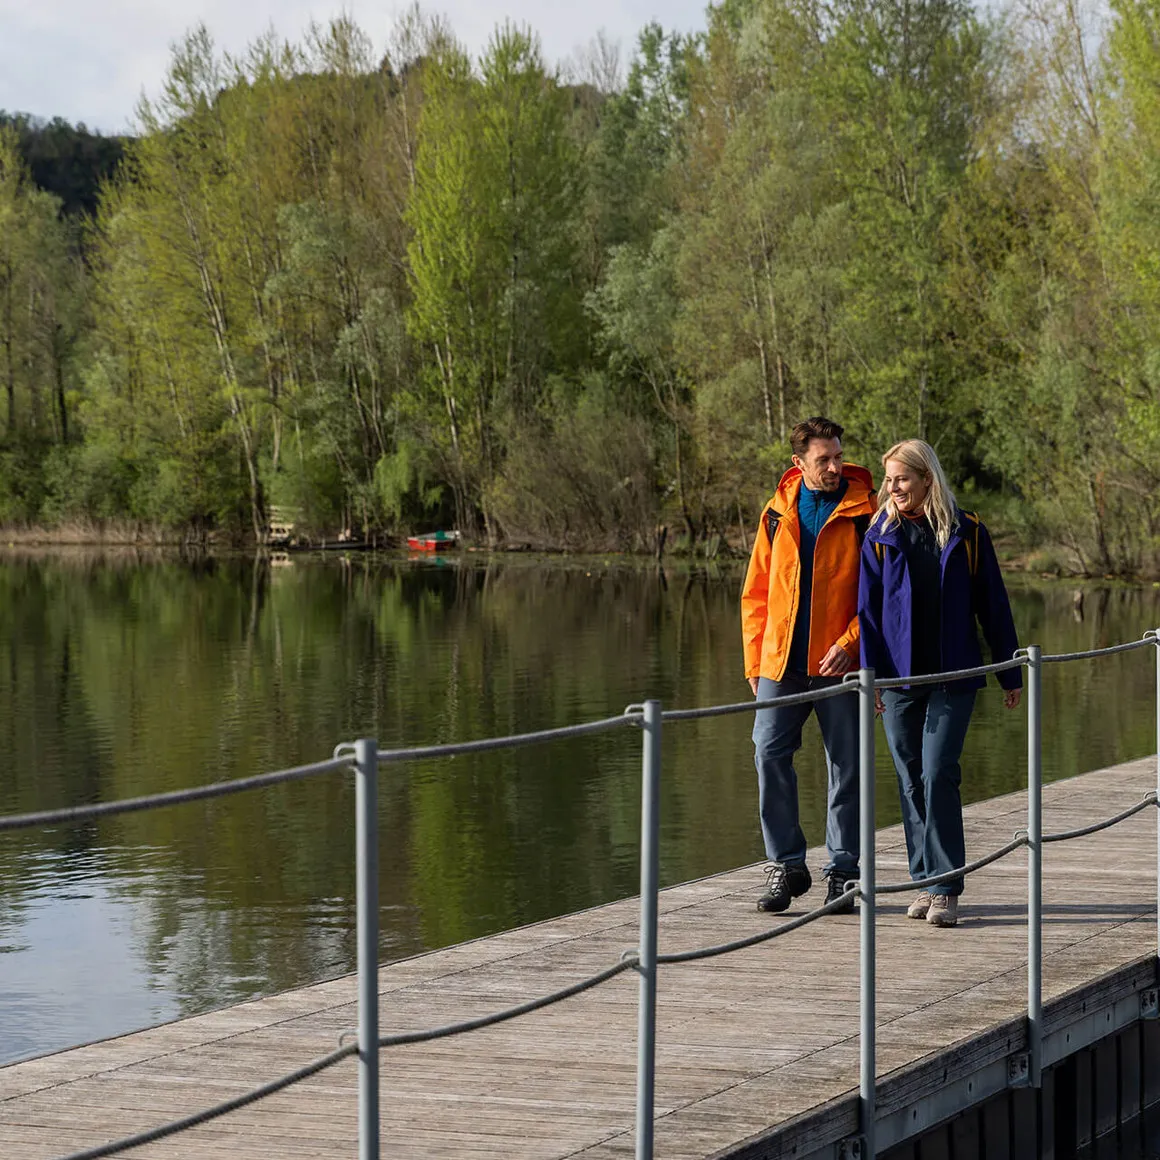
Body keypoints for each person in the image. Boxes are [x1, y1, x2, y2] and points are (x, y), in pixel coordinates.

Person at [858, 439, 1022, 928]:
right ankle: (923, 880)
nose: (892, 488)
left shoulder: (967, 532)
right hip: (898, 681)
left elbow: (993, 605)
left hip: (954, 675)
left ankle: (946, 886)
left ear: (927, 479)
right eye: (889, 479)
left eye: (901, 478)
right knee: (910, 779)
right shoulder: (879, 534)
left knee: (938, 770)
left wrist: (1008, 672)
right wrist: (871, 682)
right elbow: (866, 614)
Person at [741, 416, 877, 914]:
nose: (835, 467)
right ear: (799, 463)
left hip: (841, 663)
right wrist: (756, 663)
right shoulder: (777, 513)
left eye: (839, 456)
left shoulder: (867, 511)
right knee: (767, 753)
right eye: (825, 460)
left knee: (847, 767)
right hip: (780, 665)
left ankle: (843, 873)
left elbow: (882, 595)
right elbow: (755, 593)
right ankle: (786, 864)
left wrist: (853, 643)